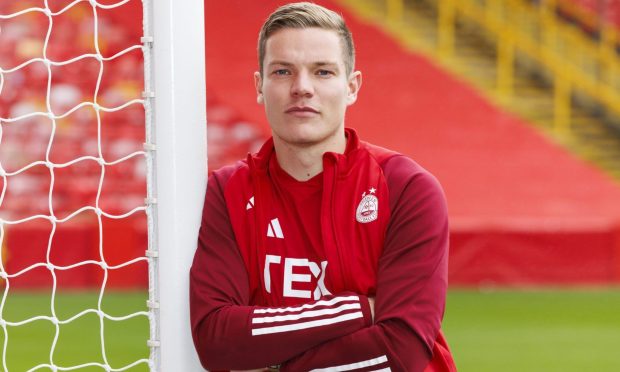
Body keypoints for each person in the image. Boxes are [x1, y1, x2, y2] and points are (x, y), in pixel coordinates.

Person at [190, 2, 456, 371]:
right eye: (282, 71)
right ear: (259, 86)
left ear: (351, 87)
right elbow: (217, 342)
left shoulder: (407, 188)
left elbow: (403, 349)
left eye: (323, 72)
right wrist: (363, 309)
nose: (302, 88)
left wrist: (276, 364)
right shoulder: (228, 191)